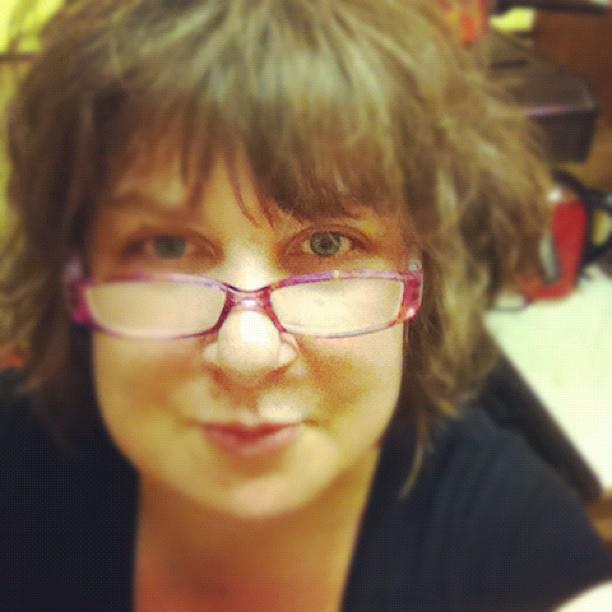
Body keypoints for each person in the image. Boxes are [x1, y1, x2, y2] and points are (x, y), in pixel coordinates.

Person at [0, 1, 610, 610]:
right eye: (167, 247)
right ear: (73, 276)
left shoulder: (516, 549)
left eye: (327, 245)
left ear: (424, 275)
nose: (247, 353)